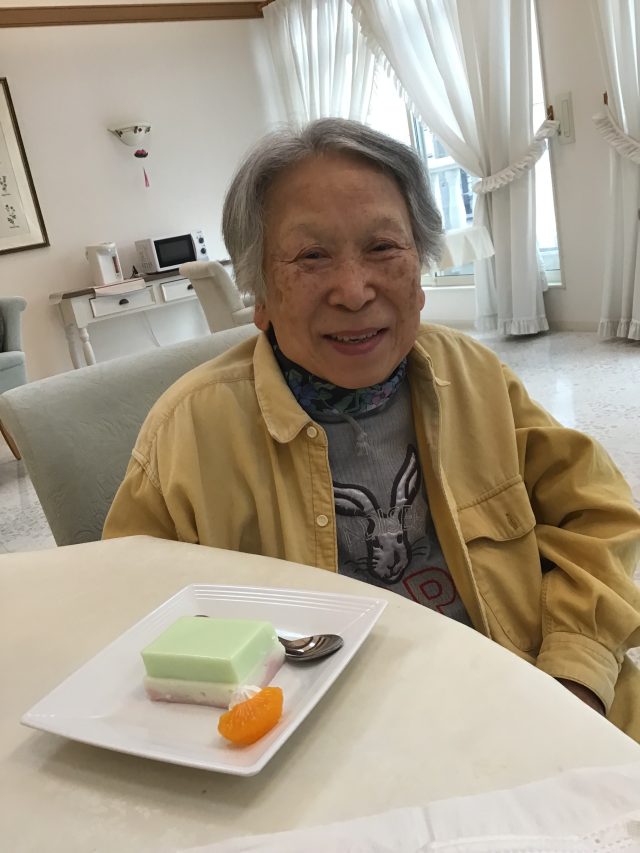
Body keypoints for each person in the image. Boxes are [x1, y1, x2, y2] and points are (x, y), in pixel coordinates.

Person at [103, 118, 640, 740]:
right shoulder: (189, 431)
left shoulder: (472, 374)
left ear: (420, 267)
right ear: (259, 293)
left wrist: (576, 672)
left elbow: (597, 516)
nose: (355, 292)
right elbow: (132, 615)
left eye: (383, 247)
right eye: (311, 256)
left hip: (531, 695)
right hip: (316, 746)